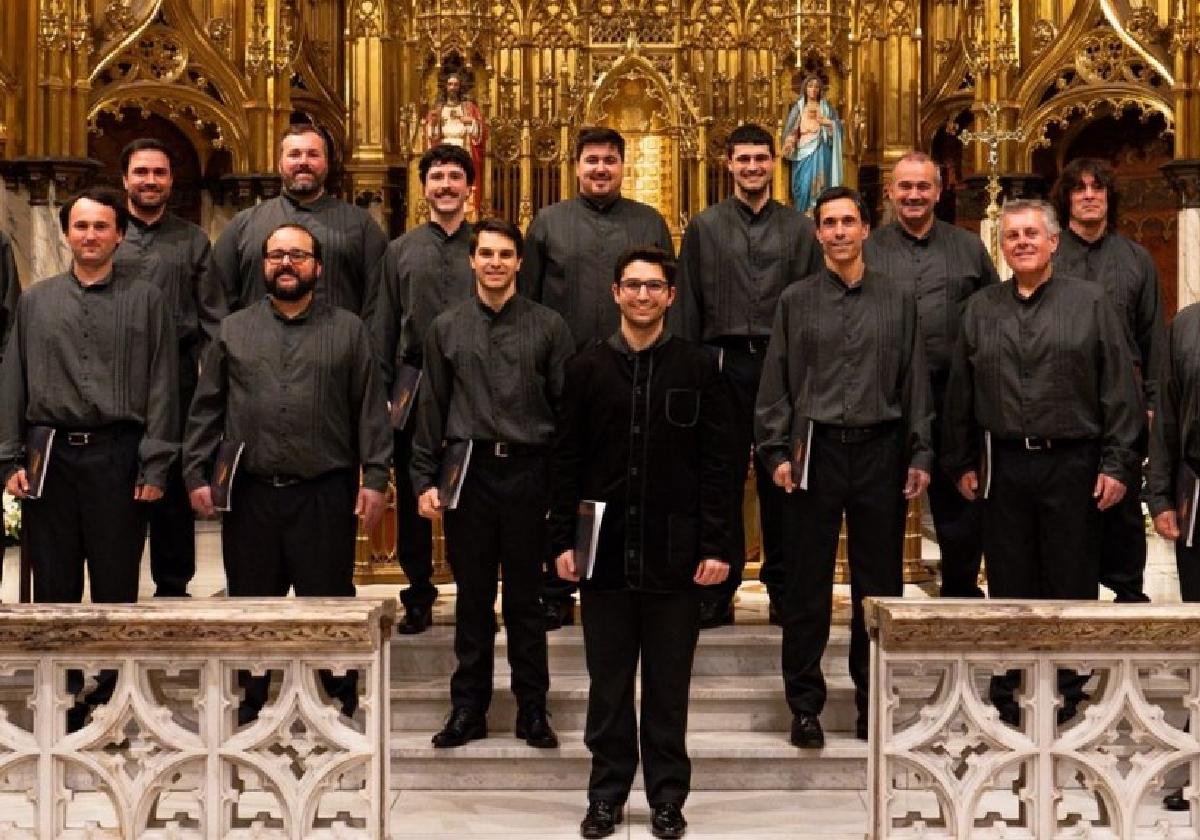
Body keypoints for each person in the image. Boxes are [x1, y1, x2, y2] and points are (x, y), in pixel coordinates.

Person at [551, 246, 735, 840]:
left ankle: (666, 798)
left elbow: (719, 467)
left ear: (670, 296)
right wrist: (564, 542)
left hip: (676, 554)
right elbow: (567, 467)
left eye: (654, 286)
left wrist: (718, 547)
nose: (642, 295)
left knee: (667, 689)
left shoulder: (701, 368)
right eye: (632, 285)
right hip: (602, 552)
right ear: (615, 293)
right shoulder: (584, 370)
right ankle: (605, 796)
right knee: (607, 690)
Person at [942, 199, 1142, 726]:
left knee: (1070, 577)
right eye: (1012, 236)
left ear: (1054, 242)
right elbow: (961, 392)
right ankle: (1014, 685)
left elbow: (1119, 390)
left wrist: (1118, 465)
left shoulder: (1092, 303)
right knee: (1009, 578)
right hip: (1003, 464)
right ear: (1001, 246)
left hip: (1073, 463)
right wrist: (961, 459)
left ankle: (1068, 690)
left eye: (1033, 233)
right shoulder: (981, 309)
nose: (1023, 242)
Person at [184, 221, 391, 725]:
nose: (286, 264)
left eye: (298, 256)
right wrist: (194, 472)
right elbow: (206, 408)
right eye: (277, 256)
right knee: (251, 607)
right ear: (263, 266)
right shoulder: (234, 330)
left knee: (328, 607)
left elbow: (370, 410)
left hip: (324, 492)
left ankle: (336, 706)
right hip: (252, 494)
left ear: (318, 267)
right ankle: (251, 705)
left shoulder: (348, 329)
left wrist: (376, 478)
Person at [755, 186, 932, 749]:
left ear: (864, 229)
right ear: (817, 234)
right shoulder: (795, 300)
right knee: (806, 586)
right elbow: (776, 383)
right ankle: (804, 705)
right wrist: (777, 451)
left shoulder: (897, 298)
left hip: (880, 450)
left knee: (877, 588)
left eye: (847, 222)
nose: (837, 232)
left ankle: (872, 701)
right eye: (828, 223)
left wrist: (921, 451)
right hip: (815, 450)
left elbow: (916, 379)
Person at [0, 187, 177, 729]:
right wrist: (8, 458)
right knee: (54, 585)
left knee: (115, 583)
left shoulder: (148, 299)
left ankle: (114, 699)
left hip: (118, 454)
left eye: (102, 227)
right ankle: (62, 697)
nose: (91, 236)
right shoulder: (36, 301)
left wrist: (156, 462)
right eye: (81, 227)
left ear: (120, 235)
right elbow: (13, 380)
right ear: (66, 233)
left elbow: (164, 384)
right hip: (49, 453)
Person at [413, 217, 573, 750]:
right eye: (486, 254)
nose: (495, 263)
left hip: (529, 472)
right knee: (473, 600)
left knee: (528, 602)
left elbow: (564, 412)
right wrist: (423, 479)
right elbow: (431, 409)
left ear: (520, 262)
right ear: (472, 260)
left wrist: (560, 490)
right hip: (471, 475)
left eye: (506, 254)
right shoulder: (446, 327)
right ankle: (468, 710)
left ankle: (533, 709)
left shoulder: (549, 327)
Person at [519, 126, 674, 630]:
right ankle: (558, 586)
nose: (600, 169)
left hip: (638, 373)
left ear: (623, 166)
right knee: (567, 479)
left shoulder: (648, 221)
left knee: (632, 478)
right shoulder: (548, 222)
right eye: (591, 161)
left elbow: (672, 297)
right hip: (568, 377)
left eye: (609, 160)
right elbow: (531, 305)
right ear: (576, 166)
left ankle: (624, 579)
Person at [671, 122, 824, 628]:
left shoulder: (800, 230)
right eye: (744, 159)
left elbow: (810, 303)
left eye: (761, 158)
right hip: (721, 362)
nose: (753, 167)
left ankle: (781, 585)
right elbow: (687, 302)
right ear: (729, 164)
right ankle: (719, 588)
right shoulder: (704, 227)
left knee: (783, 479)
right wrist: (690, 372)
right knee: (719, 478)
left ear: (773, 164)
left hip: (782, 367)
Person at [863, 151, 1000, 597]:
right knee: (882, 501)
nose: (914, 195)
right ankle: (884, 602)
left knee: (959, 503)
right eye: (905, 187)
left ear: (939, 192)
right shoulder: (868, 250)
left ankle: (959, 593)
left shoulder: (968, 248)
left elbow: (992, 315)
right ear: (890, 191)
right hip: (885, 397)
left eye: (924, 187)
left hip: (952, 397)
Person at [366, 144, 478, 634]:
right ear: (425, 187)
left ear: (469, 187)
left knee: (473, 495)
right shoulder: (400, 250)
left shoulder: (488, 245)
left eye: (455, 176)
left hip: (477, 385)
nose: (446, 185)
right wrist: (386, 392)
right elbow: (384, 325)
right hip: (416, 383)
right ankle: (418, 593)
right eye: (437, 177)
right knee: (417, 491)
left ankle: (475, 596)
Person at [114, 137, 227, 598]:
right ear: (125, 179)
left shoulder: (192, 239)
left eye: (159, 173)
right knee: (120, 481)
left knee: (173, 484)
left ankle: (173, 587)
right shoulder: (108, 234)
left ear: (172, 180)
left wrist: (211, 388)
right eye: (141, 172)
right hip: (115, 378)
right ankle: (115, 586)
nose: (150, 181)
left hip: (177, 376)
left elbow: (214, 321)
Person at [1051, 157, 1164, 603]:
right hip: (1064, 404)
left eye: (1097, 188)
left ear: (1109, 197)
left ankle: (1128, 599)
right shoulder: (1051, 257)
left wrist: (1153, 402)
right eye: (1079, 189)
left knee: (1122, 515)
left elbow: (1153, 336)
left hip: (1125, 406)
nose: (1089, 196)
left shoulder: (1136, 259)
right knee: (1071, 512)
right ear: (1066, 199)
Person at [209, 123, 388, 315]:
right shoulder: (242, 226)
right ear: (279, 164)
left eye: (313, 154)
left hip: (337, 342)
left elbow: (379, 304)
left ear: (327, 163)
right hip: (259, 342)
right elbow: (218, 300)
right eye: (294, 154)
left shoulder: (362, 226)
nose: (303, 162)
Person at [1148, 301, 1200, 812]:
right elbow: (1166, 412)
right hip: (1198, 493)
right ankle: (1195, 759)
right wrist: (1159, 494)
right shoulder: (1186, 324)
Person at [424, 73, 486, 216]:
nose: (452, 88)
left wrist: (471, 122)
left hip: (463, 152)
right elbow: (431, 135)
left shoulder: (469, 107)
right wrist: (433, 123)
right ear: (445, 87)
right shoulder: (438, 108)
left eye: (455, 85)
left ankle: (466, 213)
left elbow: (479, 134)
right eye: (450, 84)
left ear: (460, 87)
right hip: (442, 152)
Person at [781, 75, 843, 214]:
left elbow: (838, 128)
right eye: (810, 86)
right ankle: (802, 213)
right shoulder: (799, 107)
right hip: (802, 151)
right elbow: (792, 129)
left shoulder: (826, 108)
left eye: (816, 86)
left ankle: (818, 212)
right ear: (805, 89)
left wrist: (828, 123)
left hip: (821, 149)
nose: (813, 89)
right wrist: (790, 141)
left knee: (820, 185)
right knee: (803, 186)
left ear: (820, 90)